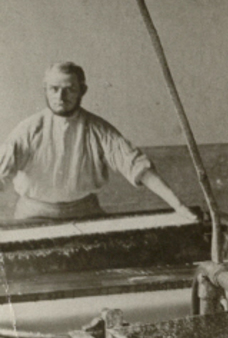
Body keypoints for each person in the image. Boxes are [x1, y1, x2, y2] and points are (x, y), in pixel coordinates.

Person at [0, 62, 198, 222]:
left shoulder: (98, 129)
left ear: (82, 90)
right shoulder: (29, 129)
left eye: (70, 89)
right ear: (45, 90)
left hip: (85, 213)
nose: (61, 97)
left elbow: (138, 167)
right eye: (54, 89)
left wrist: (178, 205)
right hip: (33, 215)